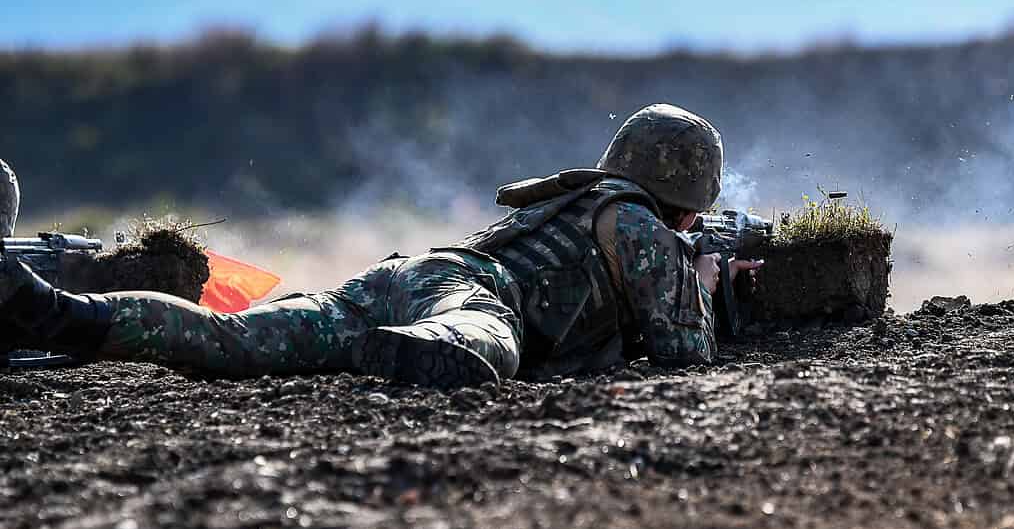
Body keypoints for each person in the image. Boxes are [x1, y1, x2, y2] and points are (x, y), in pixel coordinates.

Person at [0, 104, 761, 388]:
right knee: (484, 348)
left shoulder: (582, 199)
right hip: (467, 296)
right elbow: (683, 351)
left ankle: (63, 312)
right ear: (691, 191)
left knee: (234, 341)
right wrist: (702, 276)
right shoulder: (638, 224)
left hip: (411, 275)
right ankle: (415, 352)